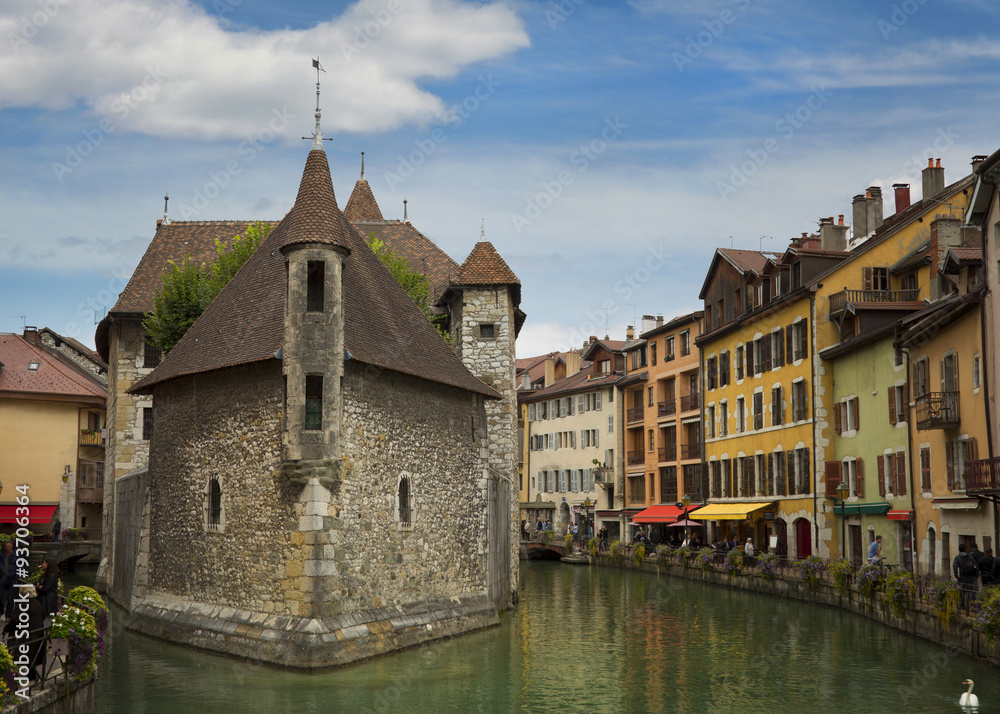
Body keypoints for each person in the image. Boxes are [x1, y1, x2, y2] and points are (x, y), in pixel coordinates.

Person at [2, 585, 46, 684]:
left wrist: (6, 629)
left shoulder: (23, 604)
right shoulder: (37, 603)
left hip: (26, 637)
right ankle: (32, 679)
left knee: (20, 657)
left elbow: (15, 620)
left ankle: (21, 681)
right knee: (30, 659)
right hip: (36, 636)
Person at [953, 543, 979, 608]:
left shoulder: (957, 558)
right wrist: (976, 575)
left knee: (961, 592)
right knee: (971, 591)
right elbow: (976, 566)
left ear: (959, 549)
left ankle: (963, 606)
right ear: (965, 549)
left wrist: (956, 575)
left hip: (962, 577)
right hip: (970, 576)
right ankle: (972, 605)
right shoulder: (970, 557)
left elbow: (955, 567)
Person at [0, 541, 16, 620]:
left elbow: (19, 565)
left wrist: (16, 576)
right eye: (6, 546)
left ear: (12, 546)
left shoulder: (16, 555)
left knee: (10, 598)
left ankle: (8, 615)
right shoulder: (1, 555)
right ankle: (1, 612)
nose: (7, 548)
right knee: (0, 597)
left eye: (9, 546)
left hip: (11, 579)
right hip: (2, 578)